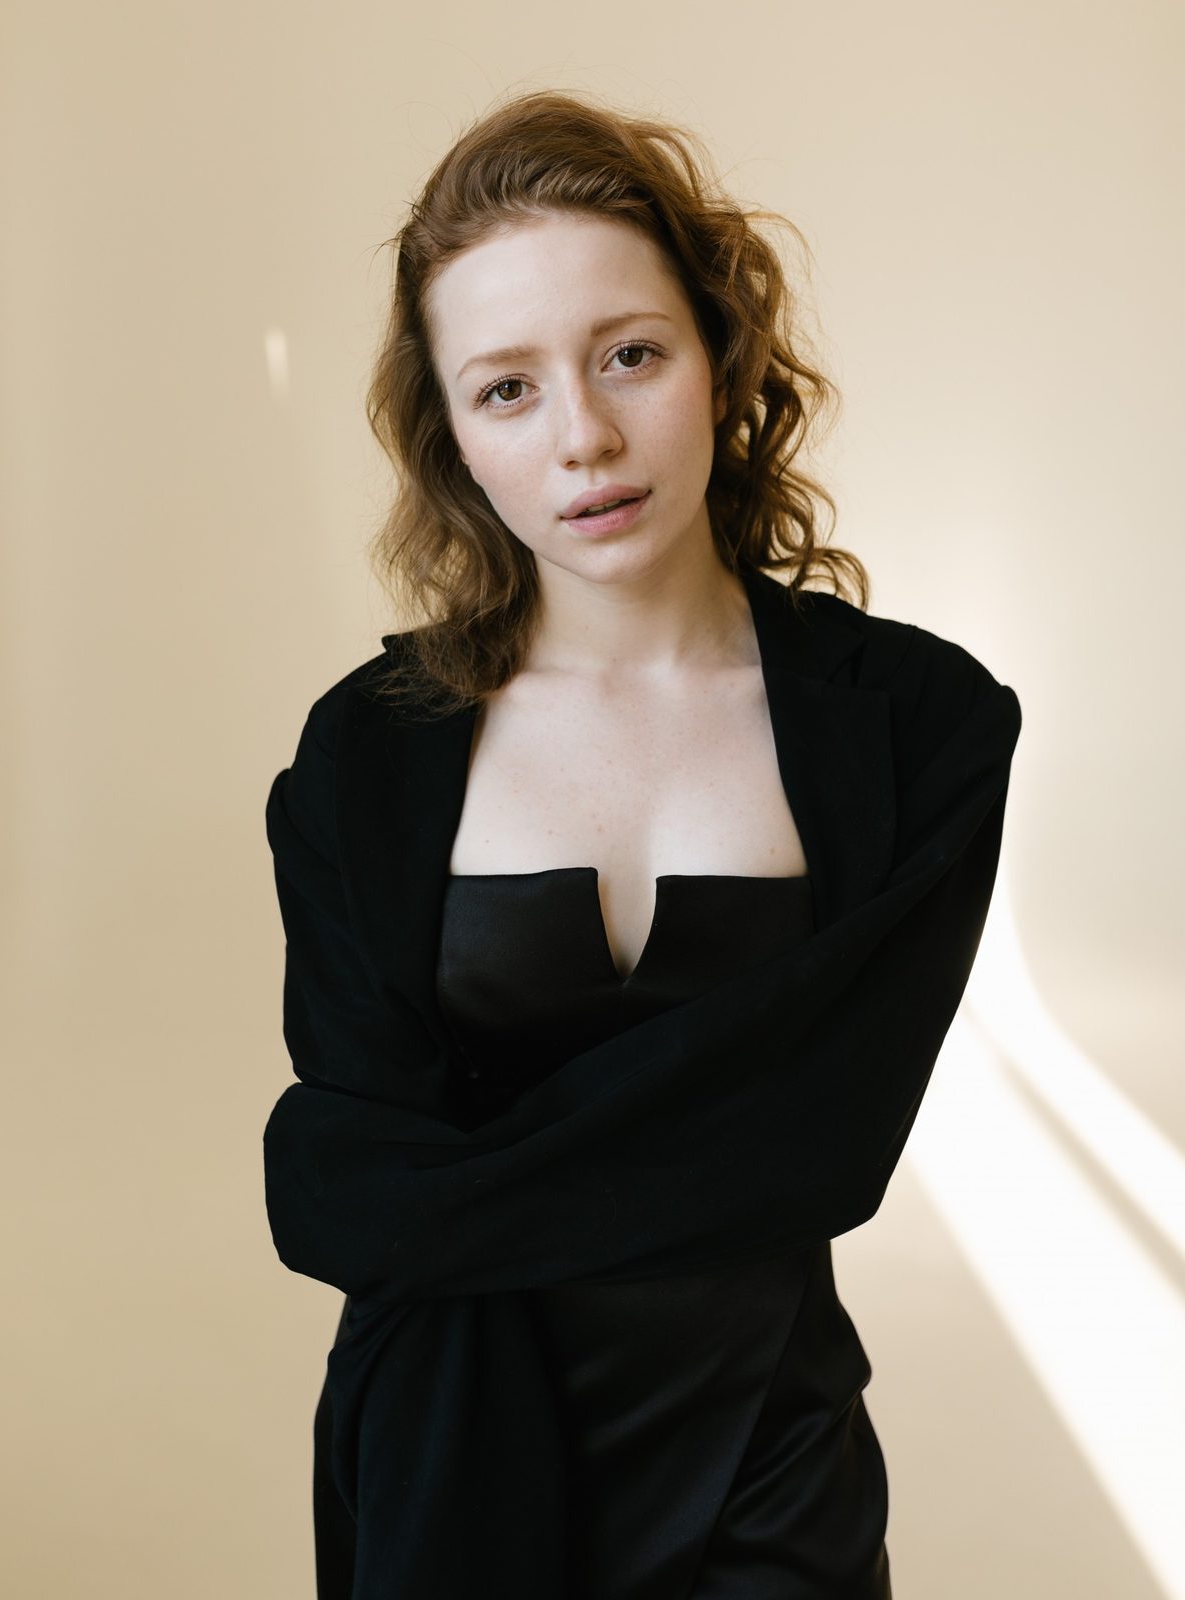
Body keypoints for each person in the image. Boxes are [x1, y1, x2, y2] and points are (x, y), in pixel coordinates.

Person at [263, 88, 1022, 1599]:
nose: (586, 436)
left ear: (719, 356)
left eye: (630, 354)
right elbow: (336, 1198)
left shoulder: (921, 726)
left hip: (771, 1469)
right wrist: (685, 1140)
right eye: (507, 389)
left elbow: (822, 1146)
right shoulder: (367, 753)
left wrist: (444, 1184)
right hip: (446, 1450)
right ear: (454, 438)